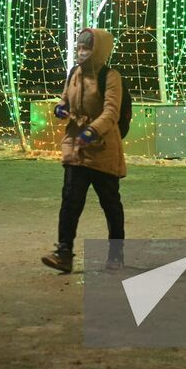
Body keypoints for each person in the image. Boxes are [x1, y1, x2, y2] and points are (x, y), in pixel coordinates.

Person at [41, 27, 127, 274]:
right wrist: (61, 108)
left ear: (98, 50)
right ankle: (64, 253)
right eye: (79, 47)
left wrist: (92, 131)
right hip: (76, 148)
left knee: (110, 203)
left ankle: (116, 253)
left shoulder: (110, 76)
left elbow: (112, 112)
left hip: (102, 149)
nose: (81, 52)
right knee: (70, 201)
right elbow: (65, 98)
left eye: (87, 48)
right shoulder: (74, 73)